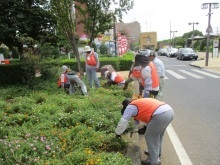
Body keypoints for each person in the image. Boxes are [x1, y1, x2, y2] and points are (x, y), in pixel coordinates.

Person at [115, 98, 174, 165]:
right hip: (169, 111)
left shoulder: (130, 107)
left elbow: (123, 121)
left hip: (160, 114)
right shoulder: (138, 102)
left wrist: (118, 133)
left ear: (125, 106)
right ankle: (157, 153)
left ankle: (153, 162)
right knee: (158, 135)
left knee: (150, 136)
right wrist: (146, 127)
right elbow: (149, 112)